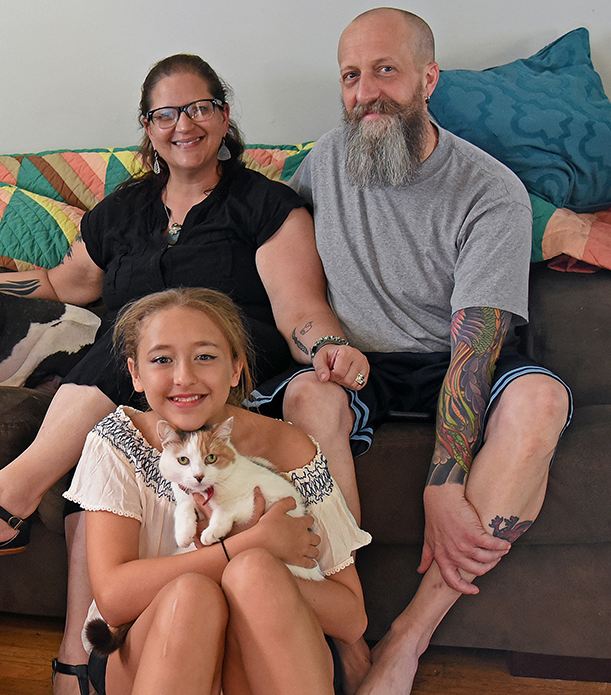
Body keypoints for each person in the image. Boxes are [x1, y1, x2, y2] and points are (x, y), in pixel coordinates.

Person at [0, 54, 368, 694]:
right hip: (133, 367)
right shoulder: (122, 211)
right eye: (166, 113)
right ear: (147, 127)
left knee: (124, 349)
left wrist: (328, 342)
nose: (183, 125)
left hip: (240, 361)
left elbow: (298, 307)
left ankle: (8, 500)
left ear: (223, 116)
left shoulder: (266, 204)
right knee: (117, 346)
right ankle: (77, 653)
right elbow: (63, 284)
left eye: (198, 108)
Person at [246, 9, 572, 694]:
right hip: (360, 365)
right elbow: (286, 268)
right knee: (306, 393)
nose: (366, 92)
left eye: (386, 71)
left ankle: (407, 637)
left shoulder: (490, 191)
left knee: (542, 399)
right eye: (351, 76)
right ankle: (346, 622)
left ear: (428, 78)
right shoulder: (323, 164)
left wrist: (443, 481)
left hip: (455, 356)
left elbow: (474, 351)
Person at [67, 287, 371, 694]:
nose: (184, 377)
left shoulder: (289, 447)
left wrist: (252, 567)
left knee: (255, 574)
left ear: (235, 369)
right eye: (161, 360)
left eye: (205, 356)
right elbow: (114, 600)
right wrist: (243, 546)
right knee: (193, 595)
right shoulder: (118, 440)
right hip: (151, 647)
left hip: (272, 650)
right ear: (136, 374)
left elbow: (352, 619)